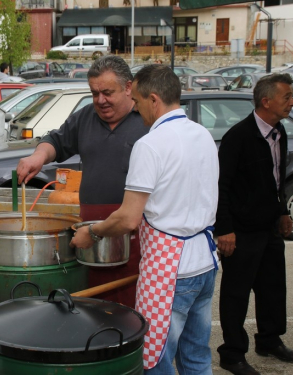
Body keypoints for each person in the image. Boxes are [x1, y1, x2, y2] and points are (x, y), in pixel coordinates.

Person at [72, 64, 219, 374]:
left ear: (154, 100)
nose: (136, 109)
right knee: (196, 356)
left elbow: (127, 219)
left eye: (137, 101)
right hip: (205, 261)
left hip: (170, 268)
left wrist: (92, 233)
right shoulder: (203, 134)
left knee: (155, 359)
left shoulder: (150, 144)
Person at [17, 55, 148, 307]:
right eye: (94, 93)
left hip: (136, 232)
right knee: (96, 302)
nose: (100, 100)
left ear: (129, 88)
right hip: (92, 229)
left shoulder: (146, 120)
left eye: (107, 92)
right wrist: (38, 156)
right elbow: (56, 141)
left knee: (134, 304)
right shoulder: (85, 117)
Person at [216, 73, 293, 375]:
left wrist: (282, 213)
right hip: (240, 231)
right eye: (286, 96)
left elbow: (276, 180)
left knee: (273, 288)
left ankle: (269, 341)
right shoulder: (239, 137)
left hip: (269, 226)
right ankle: (232, 353)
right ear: (266, 101)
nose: (291, 102)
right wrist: (224, 229)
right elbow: (220, 185)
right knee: (236, 294)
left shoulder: (280, 132)